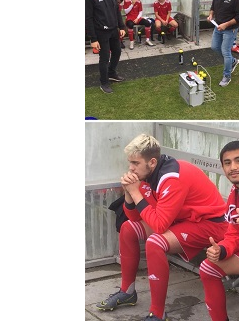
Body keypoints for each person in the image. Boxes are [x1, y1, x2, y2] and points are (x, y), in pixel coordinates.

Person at [96, 133, 228, 321]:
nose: (130, 168)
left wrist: (136, 192)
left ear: (151, 162)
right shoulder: (148, 175)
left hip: (211, 225)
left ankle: (157, 313)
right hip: (182, 222)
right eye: (130, 162)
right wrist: (129, 194)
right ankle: (128, 292)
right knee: (128, 228)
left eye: (135, 163)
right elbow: (134, 217)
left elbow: (158, 226)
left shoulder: (171, 177)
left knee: (155, 242)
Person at [200, 141, 239, 321]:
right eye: (227, 163)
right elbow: (234, 233)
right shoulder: (235, 192)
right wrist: (222, 250)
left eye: (238, 161)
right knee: (208, 268)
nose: (233, 167)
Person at [85, 0, 127, 94]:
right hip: (101, 32)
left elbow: (116, 11)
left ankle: (112, 73)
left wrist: (122, 27)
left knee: (117, 52)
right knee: (104, 58)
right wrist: (93, 39)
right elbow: (88, 18)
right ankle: (104, 83)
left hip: (114, 29)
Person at [208, 0, 239, 87]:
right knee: (215, 47)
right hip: (218, 26)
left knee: (225, 51)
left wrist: (226, 24)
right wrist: (211, 15)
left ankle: (227, 76)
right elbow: (213, 7)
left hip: (230, 28)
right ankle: (233, 61)